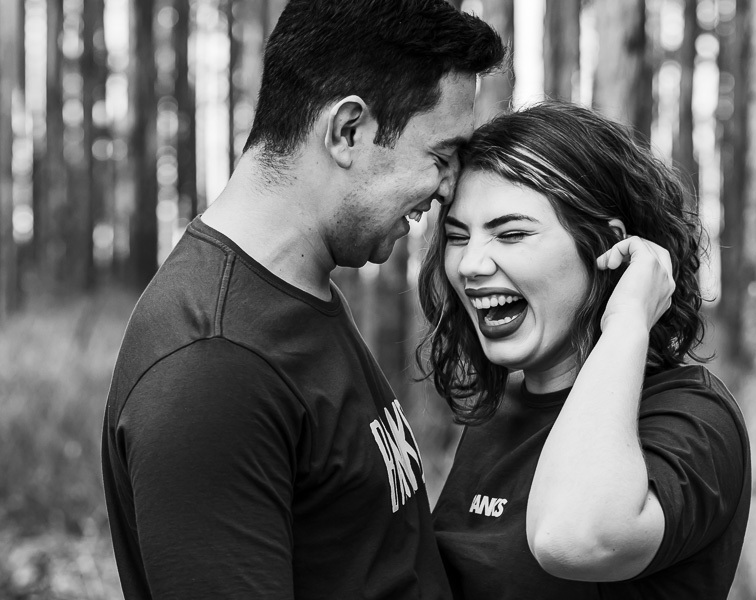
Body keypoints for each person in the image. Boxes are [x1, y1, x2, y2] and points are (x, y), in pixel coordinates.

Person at [101, 1, 504, 598]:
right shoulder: (213, 366)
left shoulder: (297, 292)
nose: (447, 190)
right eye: (440, 157)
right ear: (348, 131)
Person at [417, 101, 751, 599]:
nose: (470, 265)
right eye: (457, 237)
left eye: (511, 234)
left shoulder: (694, 416)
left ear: (606, 247)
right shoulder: (498, 415)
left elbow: (573, 539)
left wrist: (628, 318)